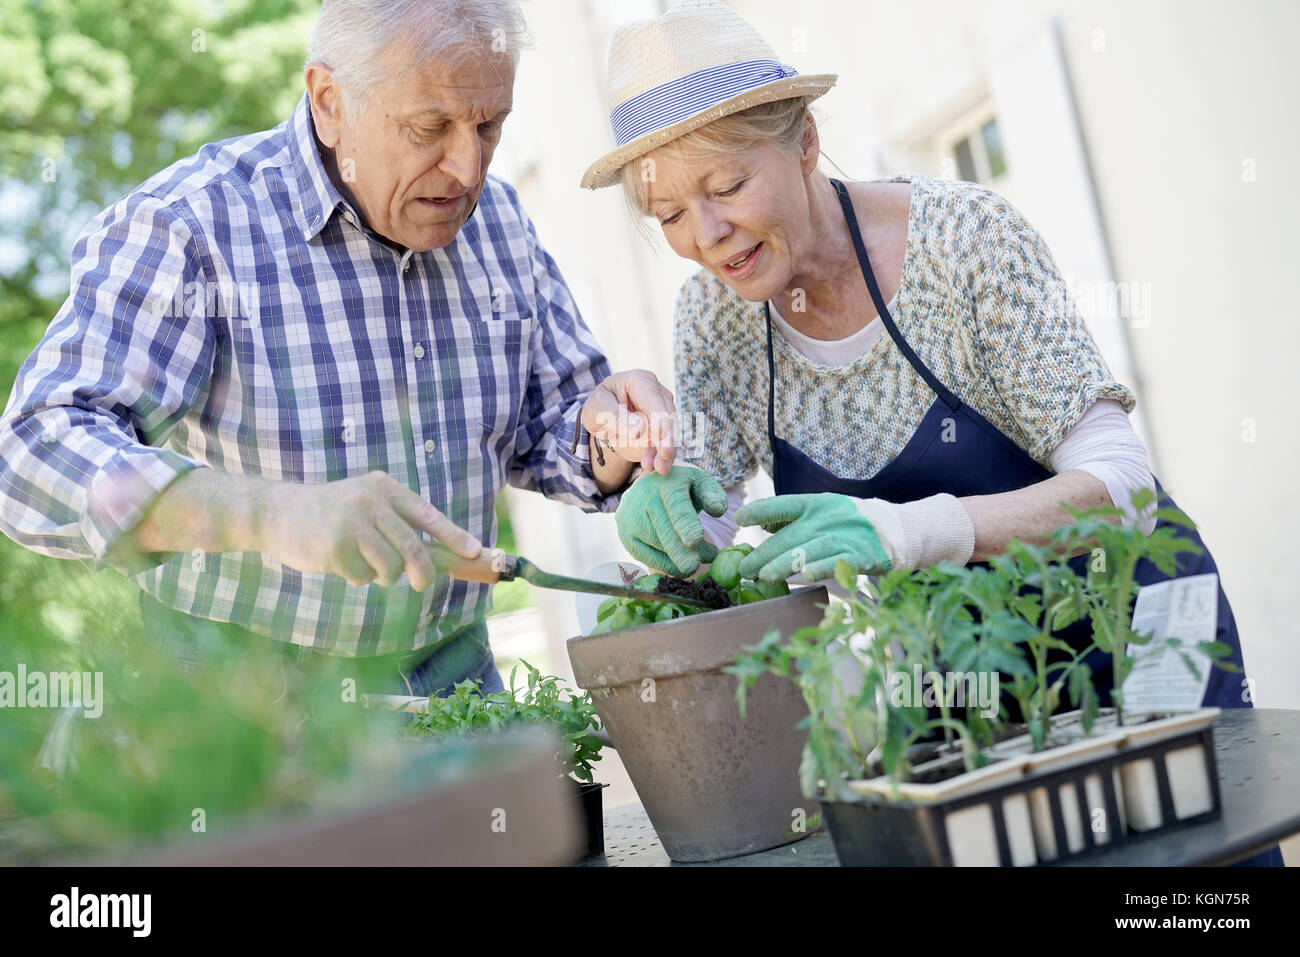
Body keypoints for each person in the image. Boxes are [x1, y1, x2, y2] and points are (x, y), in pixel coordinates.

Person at [589, 0, 1280, 867]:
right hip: (968, 666)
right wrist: (670, 512)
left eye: (727, 187)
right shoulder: (717, 318)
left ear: (804, 141)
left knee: (1187, 892)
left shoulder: (962, 241)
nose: (707, 235)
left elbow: (1126, 487)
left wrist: (911, 531)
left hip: (1138, 623)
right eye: (670, 215)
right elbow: (725, 549)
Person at [0, 0, 674, 698]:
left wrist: (615, 435)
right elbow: (32, 453)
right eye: (429, 127)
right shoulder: (193, 227)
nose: (468, 167)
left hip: (457, 678)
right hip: (238, 694)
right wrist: (271, 513)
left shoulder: (498, 222)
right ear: (328, 100)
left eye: (490, 125)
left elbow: (555, 422)